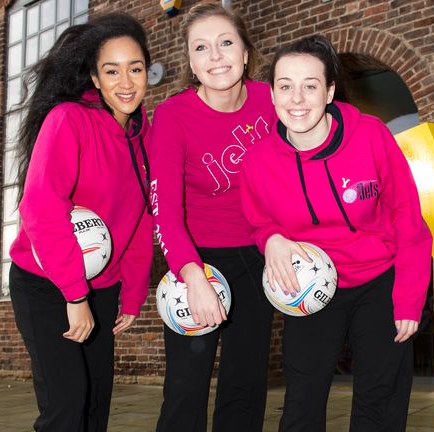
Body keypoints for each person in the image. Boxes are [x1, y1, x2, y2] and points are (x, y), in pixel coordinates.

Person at [239, 34, 433, 432]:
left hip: (379, 279)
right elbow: (259, 222)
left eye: (310, 85)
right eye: (285, 86)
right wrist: (272, 239)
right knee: (302, 400)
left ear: (329, 91)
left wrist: (409, 299)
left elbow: (408, 218)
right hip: (312, 287)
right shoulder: (258, 161)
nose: (297, 98)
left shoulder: (372, 135)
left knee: (380, 397)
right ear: (271, 96)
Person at [8, 13, 153, 432]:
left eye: (135, 68)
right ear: (94, 77)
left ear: (148, 71)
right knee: (66, 407)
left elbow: (142, 217)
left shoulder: (144, 137)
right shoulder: (69, 120)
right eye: (112, 70)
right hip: (47, 284)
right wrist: (74, 295)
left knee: (94, 409)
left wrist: (133, 294)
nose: (125, 82)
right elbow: (40, 208)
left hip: (102, 288)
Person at [148, 3, 275, 432]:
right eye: (201, 48)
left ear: (245, 52)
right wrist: (193, 275)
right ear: (191, 62)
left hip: (258, 257)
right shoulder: (171, 116)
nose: (215, 56)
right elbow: (164, 209)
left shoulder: (270, 100)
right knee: (187, 386)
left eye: (225, 43)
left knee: (246, 383)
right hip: (197, 257)